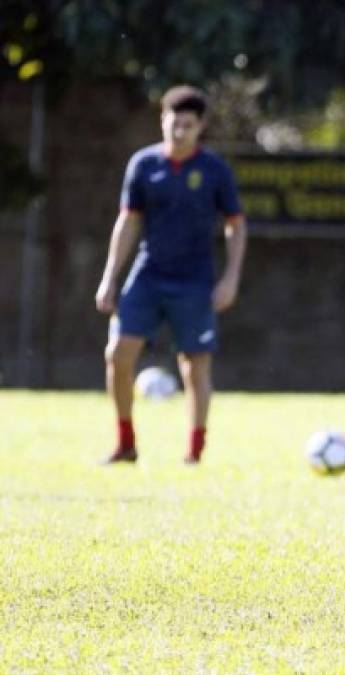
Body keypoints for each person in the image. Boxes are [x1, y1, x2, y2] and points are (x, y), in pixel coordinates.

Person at [95, 85, 247, 465]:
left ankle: (194, 452)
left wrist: (230, 278)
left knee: (194, 367)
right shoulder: (144, 165)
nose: (178, 131)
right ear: (162, 120)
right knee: (118, 354)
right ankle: (126, 443)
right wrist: (110, 277)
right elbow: (128, 222)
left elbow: (236, 225)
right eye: (172, 122)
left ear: (200, 128)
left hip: (194, 281)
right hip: (148, 276)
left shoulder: (214, 170)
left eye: (187, 125)